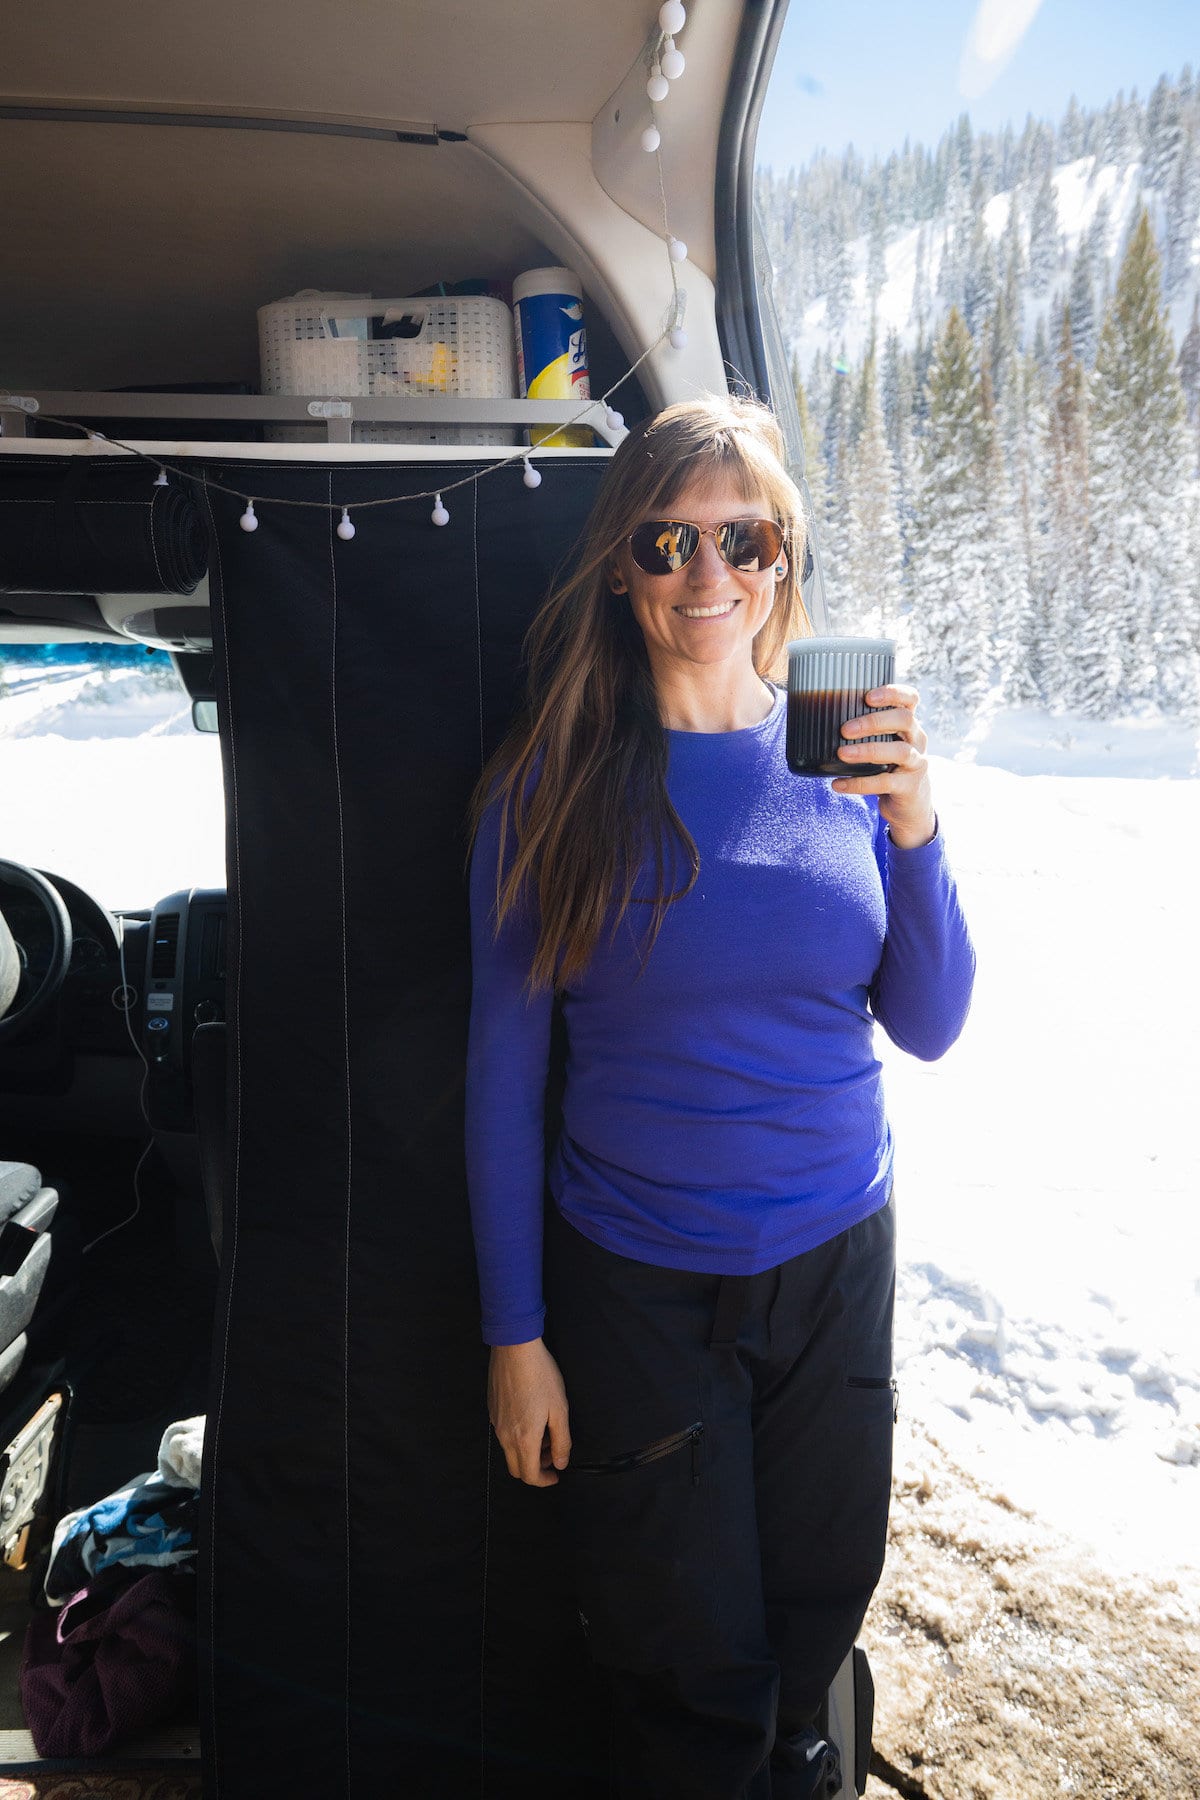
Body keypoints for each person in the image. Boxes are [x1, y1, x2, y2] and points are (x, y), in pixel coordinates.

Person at [465, 396, 975, 1800]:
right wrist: (518, 1337)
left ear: (784, 560)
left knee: (817, 1613)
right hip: (637, 1286)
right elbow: (503, 1081)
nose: (710, 576)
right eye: (668, 540)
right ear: (621, 568)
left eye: (743, 539)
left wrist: (919, 831)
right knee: (683, 1669)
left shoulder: (847, 762)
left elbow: (928, 1023)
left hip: (834, 1264)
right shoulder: (550, 790)